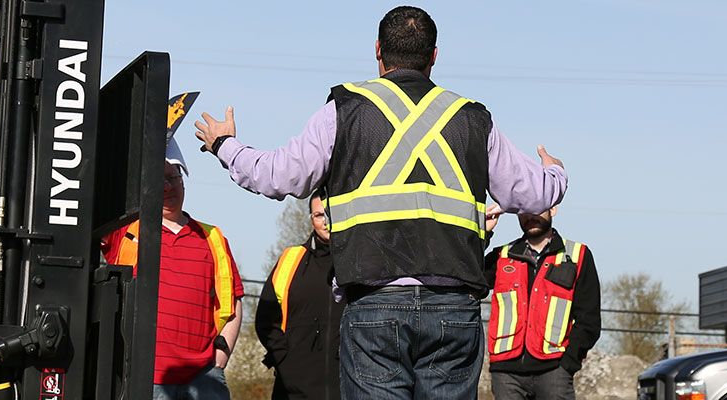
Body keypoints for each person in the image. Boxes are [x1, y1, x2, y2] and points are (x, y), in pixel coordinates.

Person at [191, 6, 569, 398]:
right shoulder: (473, 118)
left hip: (375, 305)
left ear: (377, 50)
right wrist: (555, 173)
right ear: (434, 55)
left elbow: (279, 175)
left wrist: (225, 145)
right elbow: (533, 193)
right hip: (454, 310)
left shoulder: (343, 110)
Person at [100, 142, 243, 400]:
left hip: (204, 378)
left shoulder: (213, 237)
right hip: (144, 377)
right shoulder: (125, 231)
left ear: (183, 182)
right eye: (158, 180)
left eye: (172, 178)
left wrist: (221, 354)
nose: (167, 187)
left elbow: (233, 301)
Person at [483, 207, 600, 400]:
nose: (529, 216)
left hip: (554, 371)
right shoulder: (502, 256)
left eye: (536, 208)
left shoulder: (578, 255)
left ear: (553, 209)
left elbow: (589, 319)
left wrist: (567, 364)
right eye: (523, 210)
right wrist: (484, 233)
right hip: (506, 374)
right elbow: (466, 276)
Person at [256, 194, 345, 400]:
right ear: (311, 218)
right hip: (293, 390)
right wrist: (285, 361)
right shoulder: (290, 259)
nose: (326, 221)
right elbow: (265, 320)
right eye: (319, 215)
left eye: (332, 213)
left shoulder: (363, 262)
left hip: (350, 387)